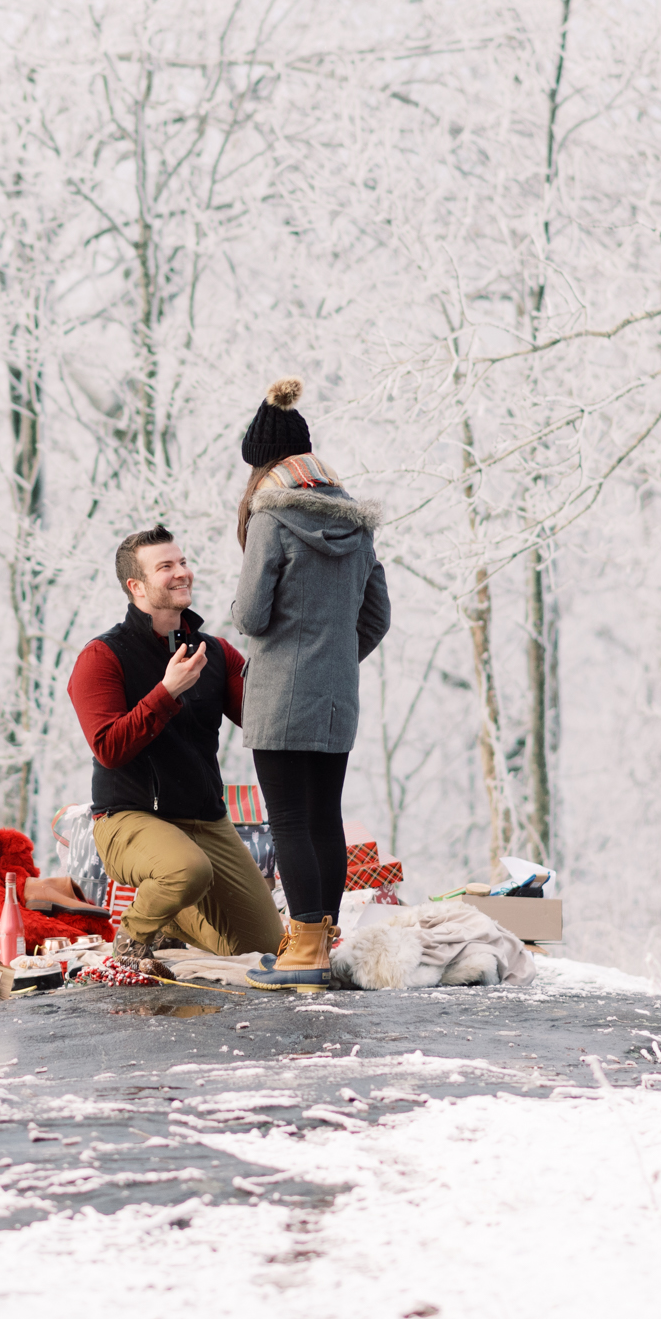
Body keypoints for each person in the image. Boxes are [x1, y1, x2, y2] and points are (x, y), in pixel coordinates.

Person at [67, 526, 285, 975]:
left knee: (266, 947)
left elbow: (262, 716)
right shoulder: (101, 657)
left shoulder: (216, 653)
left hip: (205, 819)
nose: (181, 573)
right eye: (165, 567)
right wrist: (166, 692)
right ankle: (132, 942)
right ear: (137, 586)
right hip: (129, 817)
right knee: (186, 869)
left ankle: (171, 921)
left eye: (182, 562)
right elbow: (109, 748)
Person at [232, 377, 390, 991]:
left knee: (289, 819)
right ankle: (320, 941)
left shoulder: (272, 518)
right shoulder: (358, 525)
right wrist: (334, 659)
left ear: (265, 463)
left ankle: (303, 951)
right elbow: (375, 617)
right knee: (326, 817)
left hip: (278, 693)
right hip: (335, 695)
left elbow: (250, 616)